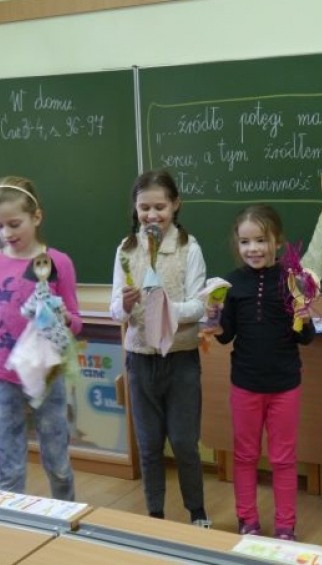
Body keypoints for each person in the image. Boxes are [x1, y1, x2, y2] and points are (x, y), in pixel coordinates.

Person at [0, 176, 81, 500]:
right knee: (9, 463)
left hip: (47, 372)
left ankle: (65, 517)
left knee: (57, 459)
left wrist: (65, 318)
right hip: (1, 371)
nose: (6, 233)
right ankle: (12, 522)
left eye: (14, 224)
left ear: (36, 217)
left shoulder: (58, 262)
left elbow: (76, 322)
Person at [110, 169, 211, 527]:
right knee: (149, 444)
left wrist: (166, 309)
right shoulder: (126, 249)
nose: (152, 215)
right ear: (135, 209)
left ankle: (197, 512)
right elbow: (115, 310)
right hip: (140, 359)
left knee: (184, 442)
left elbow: (199, 306)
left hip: (180, 359)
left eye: (160, 207)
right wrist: (125, 304)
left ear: (175, 205)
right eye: (144, 208)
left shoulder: (189, 247)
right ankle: (155, 514)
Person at [209, 205, 316, 541]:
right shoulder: (232, 283)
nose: (253, 248)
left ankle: (285, 526)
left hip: (285, 385)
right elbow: (226, 335)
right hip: (245, 385)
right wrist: (214, 319)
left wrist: (305, 315)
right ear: (237, 244)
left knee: (283, 459)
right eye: (245, 242)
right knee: (244, 456)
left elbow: (306, 338)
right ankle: (248, 522)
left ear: (277, 241)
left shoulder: (291, 281)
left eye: (261, 240)